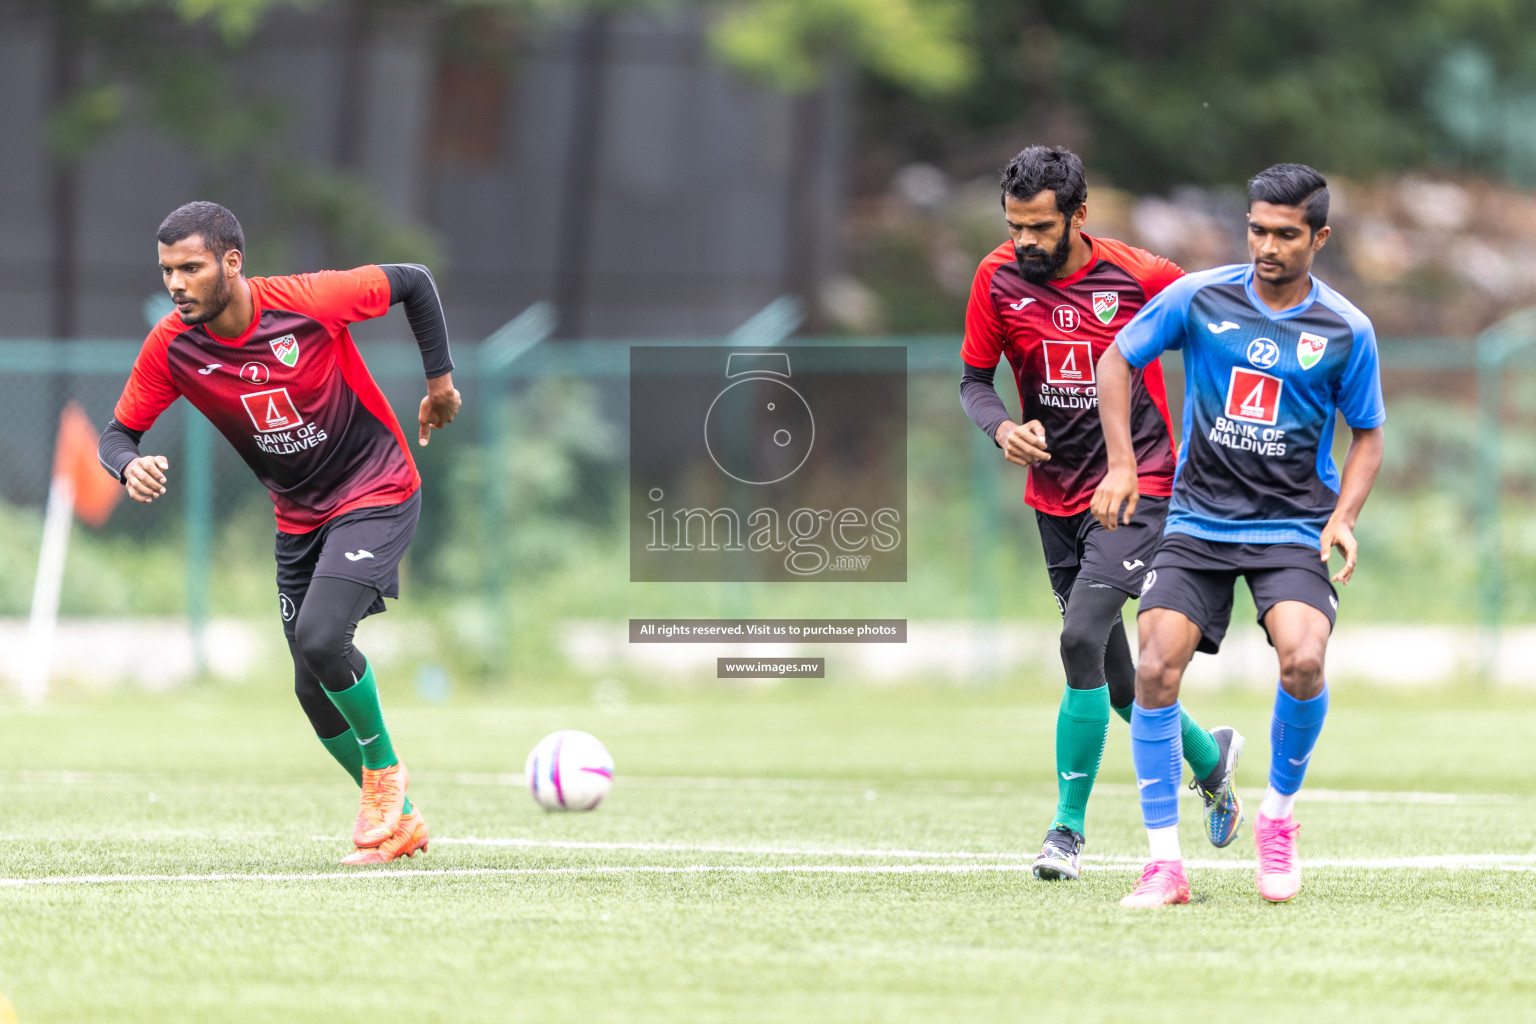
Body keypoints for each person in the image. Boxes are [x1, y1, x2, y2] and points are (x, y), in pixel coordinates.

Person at [98, 201, 461, 865]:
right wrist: (128, 466)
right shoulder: (174, 347)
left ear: (232, 263)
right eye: (166, 270)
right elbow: (118, 434)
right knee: (308, 685)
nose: (175, 283)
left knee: (325, 639)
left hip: (376, 488)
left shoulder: (310, 301)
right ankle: (400, 822)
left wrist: (439, 383)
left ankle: (383, 776)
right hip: (299, 517)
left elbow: (412, 280)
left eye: (190, 267)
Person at [1093, 163, 1385, 907]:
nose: (1267, 246)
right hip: (1196, 521)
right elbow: (1118, 359)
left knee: (1305, 660)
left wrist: (1344, 517)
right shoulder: (1199, 297)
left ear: (1318, 237)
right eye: (1257, 229)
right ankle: (1165, 864)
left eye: (1286, 235)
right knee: (1156, 666)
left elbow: (1369, 436)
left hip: (1291, 527)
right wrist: (1123, 464)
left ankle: (1278, 820)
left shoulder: (1346, 330)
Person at [960, 146, 1244, 882]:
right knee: (1120, 687)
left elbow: (1224, 329)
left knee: (1079, 637)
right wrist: (1000, 427)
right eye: (1015, 225)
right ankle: (1212, 763)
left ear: (1078, 215)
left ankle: (1065, 832)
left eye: (1040, 226)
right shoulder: (995, 279)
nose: (1024, 241)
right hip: (1054, 497)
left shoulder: (1143, 276)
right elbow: (973, 381)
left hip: (1138, 487)